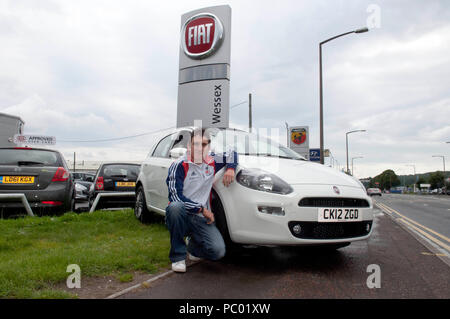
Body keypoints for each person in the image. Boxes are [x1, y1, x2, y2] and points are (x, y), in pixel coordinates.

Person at [165, 128, 238, 273]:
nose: (199, 148)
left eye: (204, 144)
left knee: (218, 252)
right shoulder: (178, 165)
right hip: (183, 214)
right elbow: (175, 197)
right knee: (175, 207)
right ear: (189, 145)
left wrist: (231, 168)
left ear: (209, 146)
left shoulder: (211, 161)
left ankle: (193, 247)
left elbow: (232, 153)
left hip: (200, 218)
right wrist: (201, 209)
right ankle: (178, 257)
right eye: (196, 144)